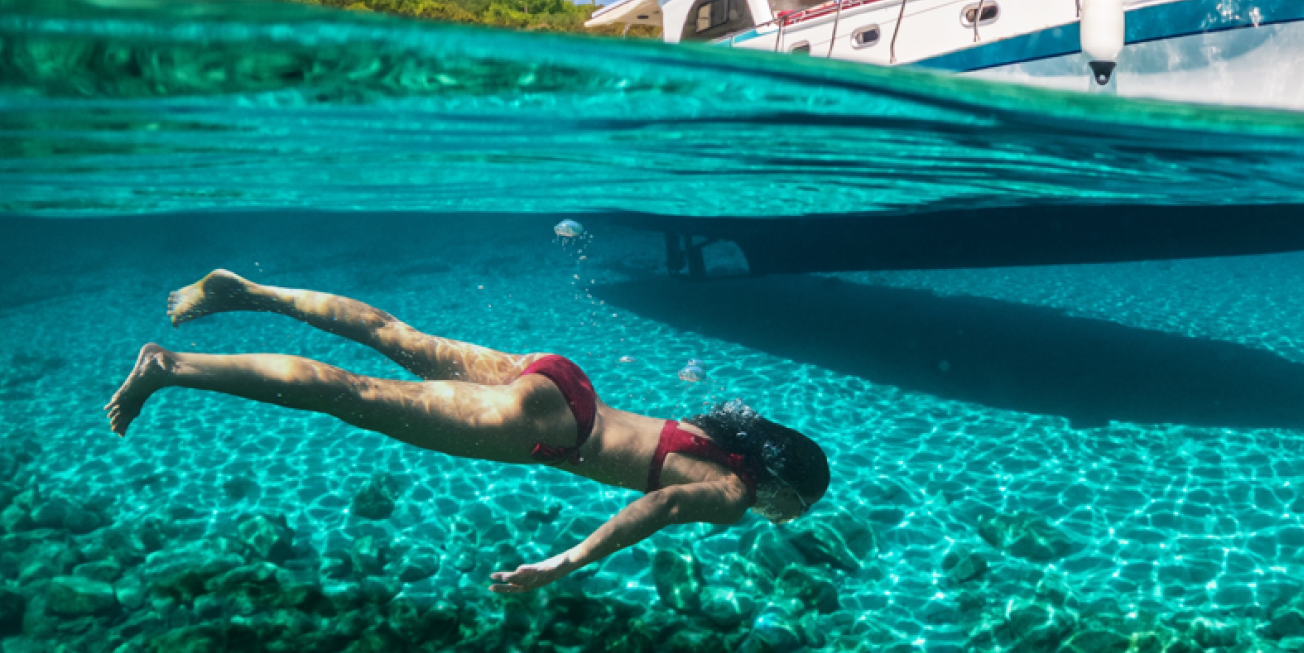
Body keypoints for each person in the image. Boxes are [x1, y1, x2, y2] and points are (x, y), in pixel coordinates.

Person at [104, 270, 829, 594]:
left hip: (562, 381)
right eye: (797, 506)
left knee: (395, 335)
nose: (788, 518)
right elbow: (661, 507)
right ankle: (172, 366)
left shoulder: (716, 437)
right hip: (547, 429)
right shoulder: (734, 492)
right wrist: (566, 562)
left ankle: (255, 293)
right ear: (783, 485)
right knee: (351, 395)